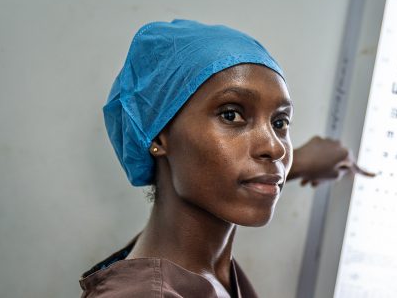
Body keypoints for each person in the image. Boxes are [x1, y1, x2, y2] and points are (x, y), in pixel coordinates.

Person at [79, 19, 373, 298]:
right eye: (231, 115)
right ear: (156, 136)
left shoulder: (198, 265)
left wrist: (300, 163)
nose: (276, 147)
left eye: (280, 123)